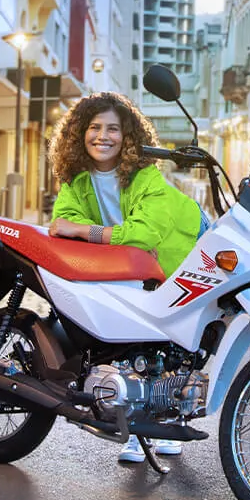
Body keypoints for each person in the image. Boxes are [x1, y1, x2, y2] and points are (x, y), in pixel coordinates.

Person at [47, 91, 202, 463]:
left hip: (181, 247)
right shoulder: (77, 181)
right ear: (80, 134)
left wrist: (89, 232)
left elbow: (145, 233)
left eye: (113, 129)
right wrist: (103, 234)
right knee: (131, 343)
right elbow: (61, 223)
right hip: (127, 262)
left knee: (179, 337)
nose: (103, 136)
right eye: (94, 127)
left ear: (128, 136)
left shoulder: (145, 176)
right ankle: (134, 422)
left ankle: (172, 417)